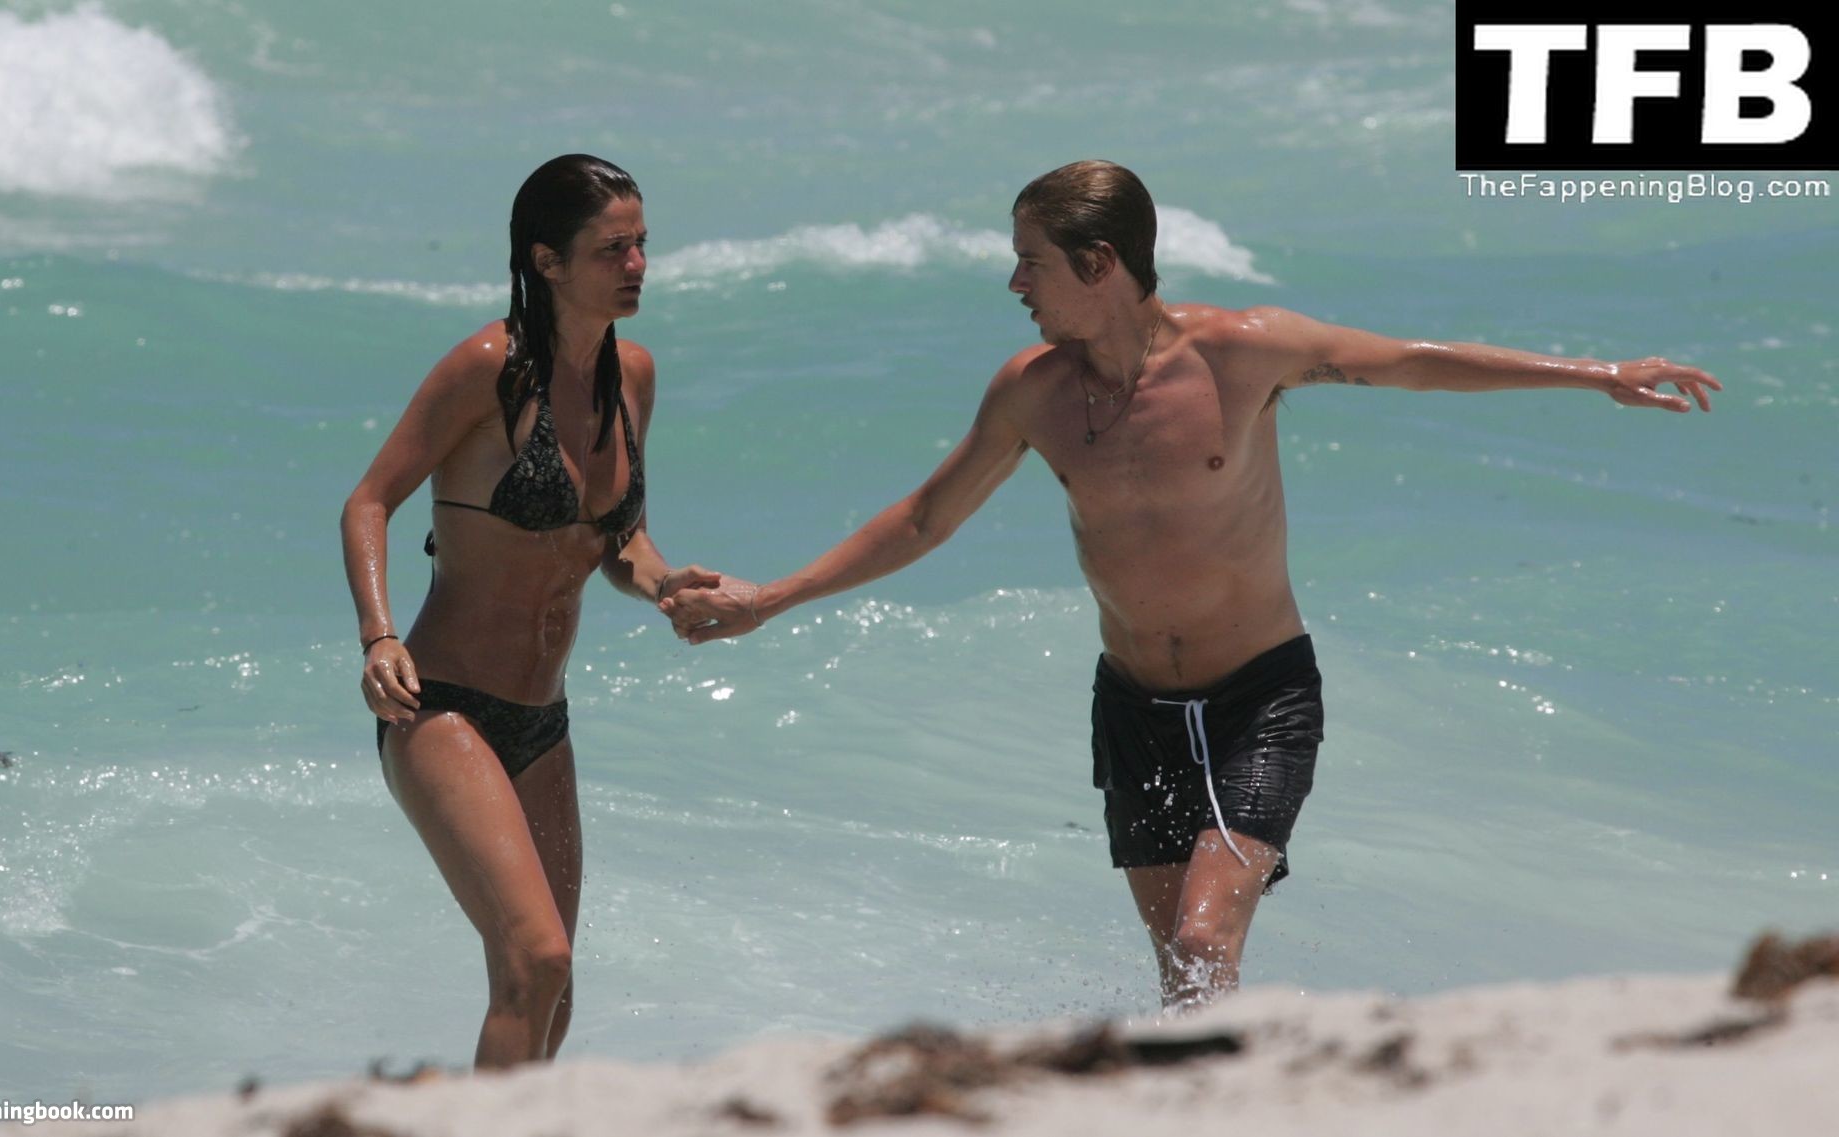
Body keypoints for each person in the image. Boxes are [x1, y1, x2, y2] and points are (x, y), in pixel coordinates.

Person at [660, 159, 1721, 1009]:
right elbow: (925, 518)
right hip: (1134, 709)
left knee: (1207, 939)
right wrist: (769, 600)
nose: (1016, 285)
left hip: (1260, 697)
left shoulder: (1241, 354)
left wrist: (1599, 375)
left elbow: (1409, 361)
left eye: (1031, 262)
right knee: (1182, 966)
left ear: (1099, 263)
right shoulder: (1032, 393)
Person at [340, 154, 725, 1067]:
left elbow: (619, 541)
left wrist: (664, 585)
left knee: (553, 987)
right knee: (535, 956)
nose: (636, 266)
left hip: (543, 722)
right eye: (611, 249)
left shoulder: (633, 376)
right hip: (441, 708)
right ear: (547, 261)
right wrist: (378, 634)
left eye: (642, 244)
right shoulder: (489, 367)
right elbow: (369, 501)